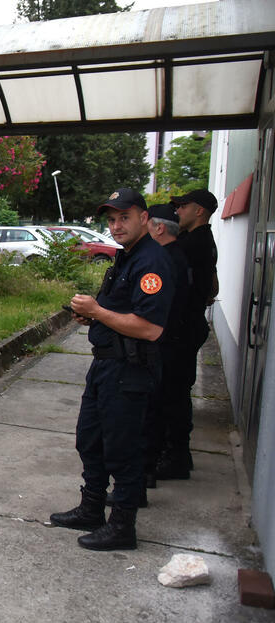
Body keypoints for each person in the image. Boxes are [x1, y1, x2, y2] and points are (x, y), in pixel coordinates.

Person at [49, 188, 174, 551]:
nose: (116, 226)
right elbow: (121, 312)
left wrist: (98, 312)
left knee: (123, 449)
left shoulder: (153, 262)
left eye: (125, 217)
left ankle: (122, 526)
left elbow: (150, 328)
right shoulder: (128, 257)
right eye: (112, 219)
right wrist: (91, 317)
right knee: (90, 440)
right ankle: (91, 508)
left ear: (145, 219)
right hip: (106, 365)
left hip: (129, 369)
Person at [157, 189, 220, 479]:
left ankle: (176, 457)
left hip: (183, 330)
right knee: (175, 392)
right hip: (188, 326)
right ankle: (177, 454)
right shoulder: (200, 241)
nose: (177, 212)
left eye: (183, 207)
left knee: (173, 394)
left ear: (199, 211)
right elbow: (212, 287)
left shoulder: (194, 243)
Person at [139, 203, 193, 502]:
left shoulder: (163, 261)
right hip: (174, 342)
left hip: (164, 347)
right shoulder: (176, 256)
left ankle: (145, 471)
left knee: (154, 410)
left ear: (158, 227)